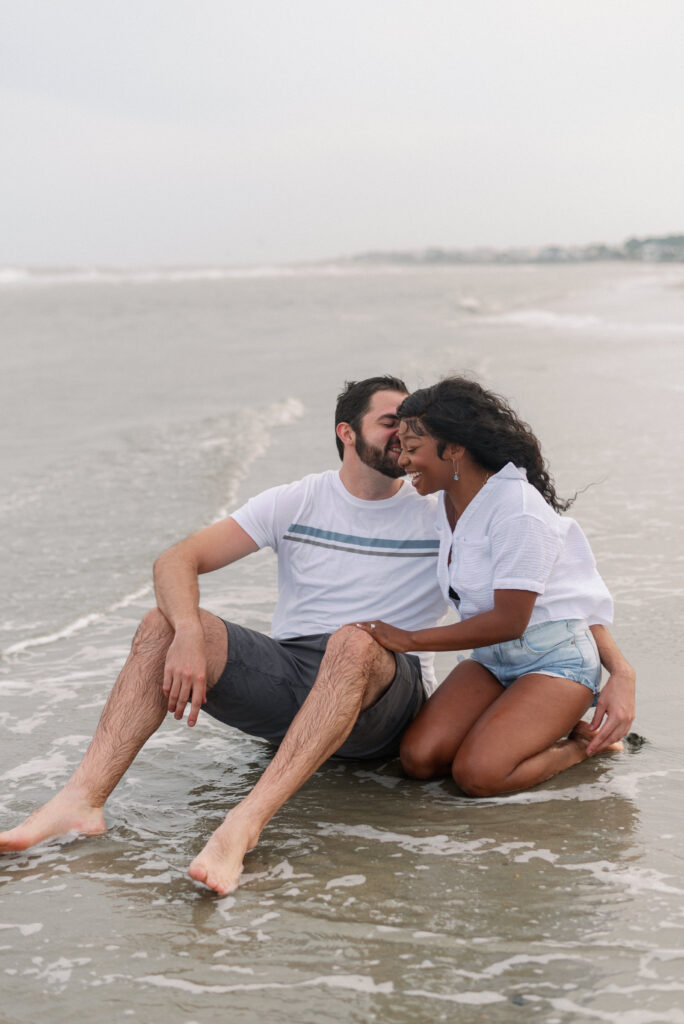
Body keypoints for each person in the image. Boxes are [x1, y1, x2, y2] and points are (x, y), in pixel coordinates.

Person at [0, 376, 633, 894]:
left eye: (414, 431)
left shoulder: (441, 500)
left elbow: (562, 583)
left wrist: (620, 672)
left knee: (355, 641)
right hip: (298, 678)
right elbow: (175, 560)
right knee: (159, 624)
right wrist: (188, 632)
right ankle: (82, 800)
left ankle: (242, 828)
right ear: (347, 432)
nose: (405, 440)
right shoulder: (298, 501)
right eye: (392, 423)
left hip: (384, 685)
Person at [356, 376, 635, 796]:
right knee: (420, 759)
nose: (405, 462)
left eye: (413, 451)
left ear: (454, 449)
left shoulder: (518, 510)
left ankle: (583, 746)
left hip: (554, 660)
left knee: (478, 775)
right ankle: (530, 728)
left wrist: (410, 638)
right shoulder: (448, 503)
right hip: (491, 659)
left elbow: (510, 620)